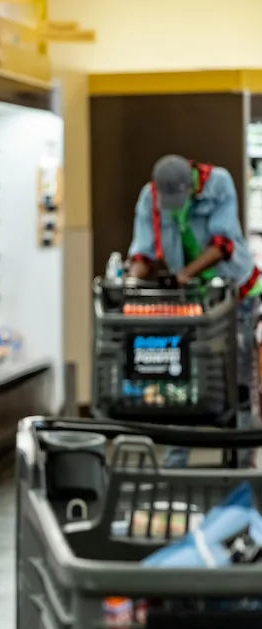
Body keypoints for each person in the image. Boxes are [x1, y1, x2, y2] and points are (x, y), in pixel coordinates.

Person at [128, 154, 260, 464]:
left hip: (234, 294)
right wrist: (131, 284)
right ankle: (175, 463)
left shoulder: (218, 184)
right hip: (190, 302)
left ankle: (240, 462)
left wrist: (187, 273)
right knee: (181, 379)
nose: (172, 204)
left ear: (192, 183)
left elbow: (223, 245)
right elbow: (143, 254)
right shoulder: (150, 199)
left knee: (236, 381)